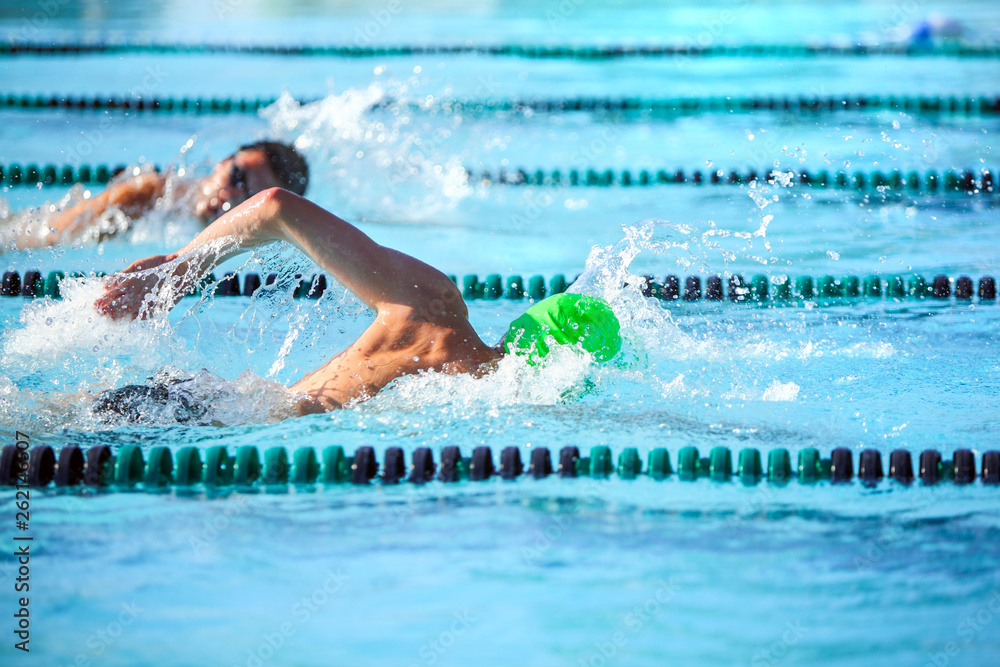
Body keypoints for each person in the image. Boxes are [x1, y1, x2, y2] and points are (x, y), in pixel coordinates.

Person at [94, 188, 621, 418]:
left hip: (208, 402)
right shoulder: (500, 407)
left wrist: (179, 269)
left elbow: (275, 206)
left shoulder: (432, 310)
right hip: (214, 417)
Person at [7, 140, 308, 248]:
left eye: (249, 198)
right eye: (237, 176)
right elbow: (47, 236)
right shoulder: (146, 195)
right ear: (222, 162)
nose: (231, 195)